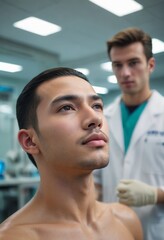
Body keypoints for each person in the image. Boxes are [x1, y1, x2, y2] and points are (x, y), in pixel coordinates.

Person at [0, 67, 142, 239]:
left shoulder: (126, 220)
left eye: (96, 106)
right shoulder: (14, 236)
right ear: (30, 141)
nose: (95, 119)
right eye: (66, 107)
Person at [94, 28, 164, 240]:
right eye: (118, 65)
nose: (125, 72)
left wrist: (155, 195)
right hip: (110, 229)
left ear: (150, 65)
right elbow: (96, 179)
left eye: (133, 63)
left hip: (155, 228)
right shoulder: (103, 117)